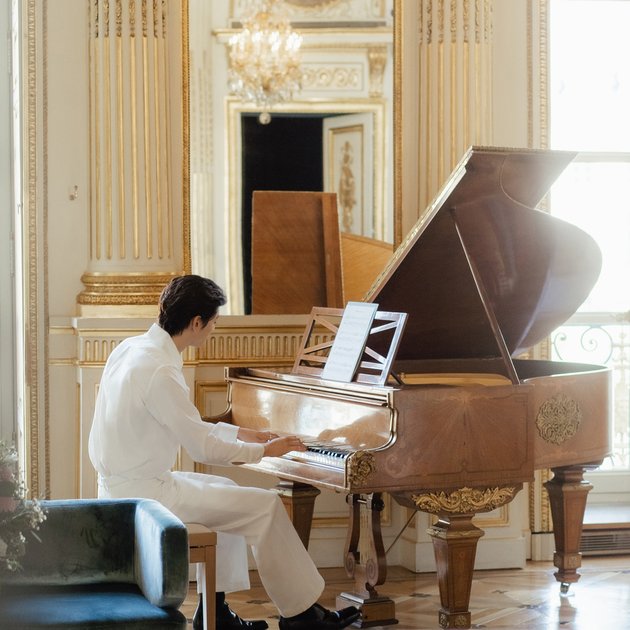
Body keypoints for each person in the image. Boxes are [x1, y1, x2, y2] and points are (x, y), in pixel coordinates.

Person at [88, 274, 360, 630]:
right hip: (145, 495)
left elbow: (190, 424)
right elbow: (202, 446)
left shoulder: (132, 349)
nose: (214, 329)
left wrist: (251, 433)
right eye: (214, 322)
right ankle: (301, 615)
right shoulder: (159, 371)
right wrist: (264, 450)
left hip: (125, 485)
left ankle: (215, 613)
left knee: (229, 493)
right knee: (265, 507)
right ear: (196, 322)